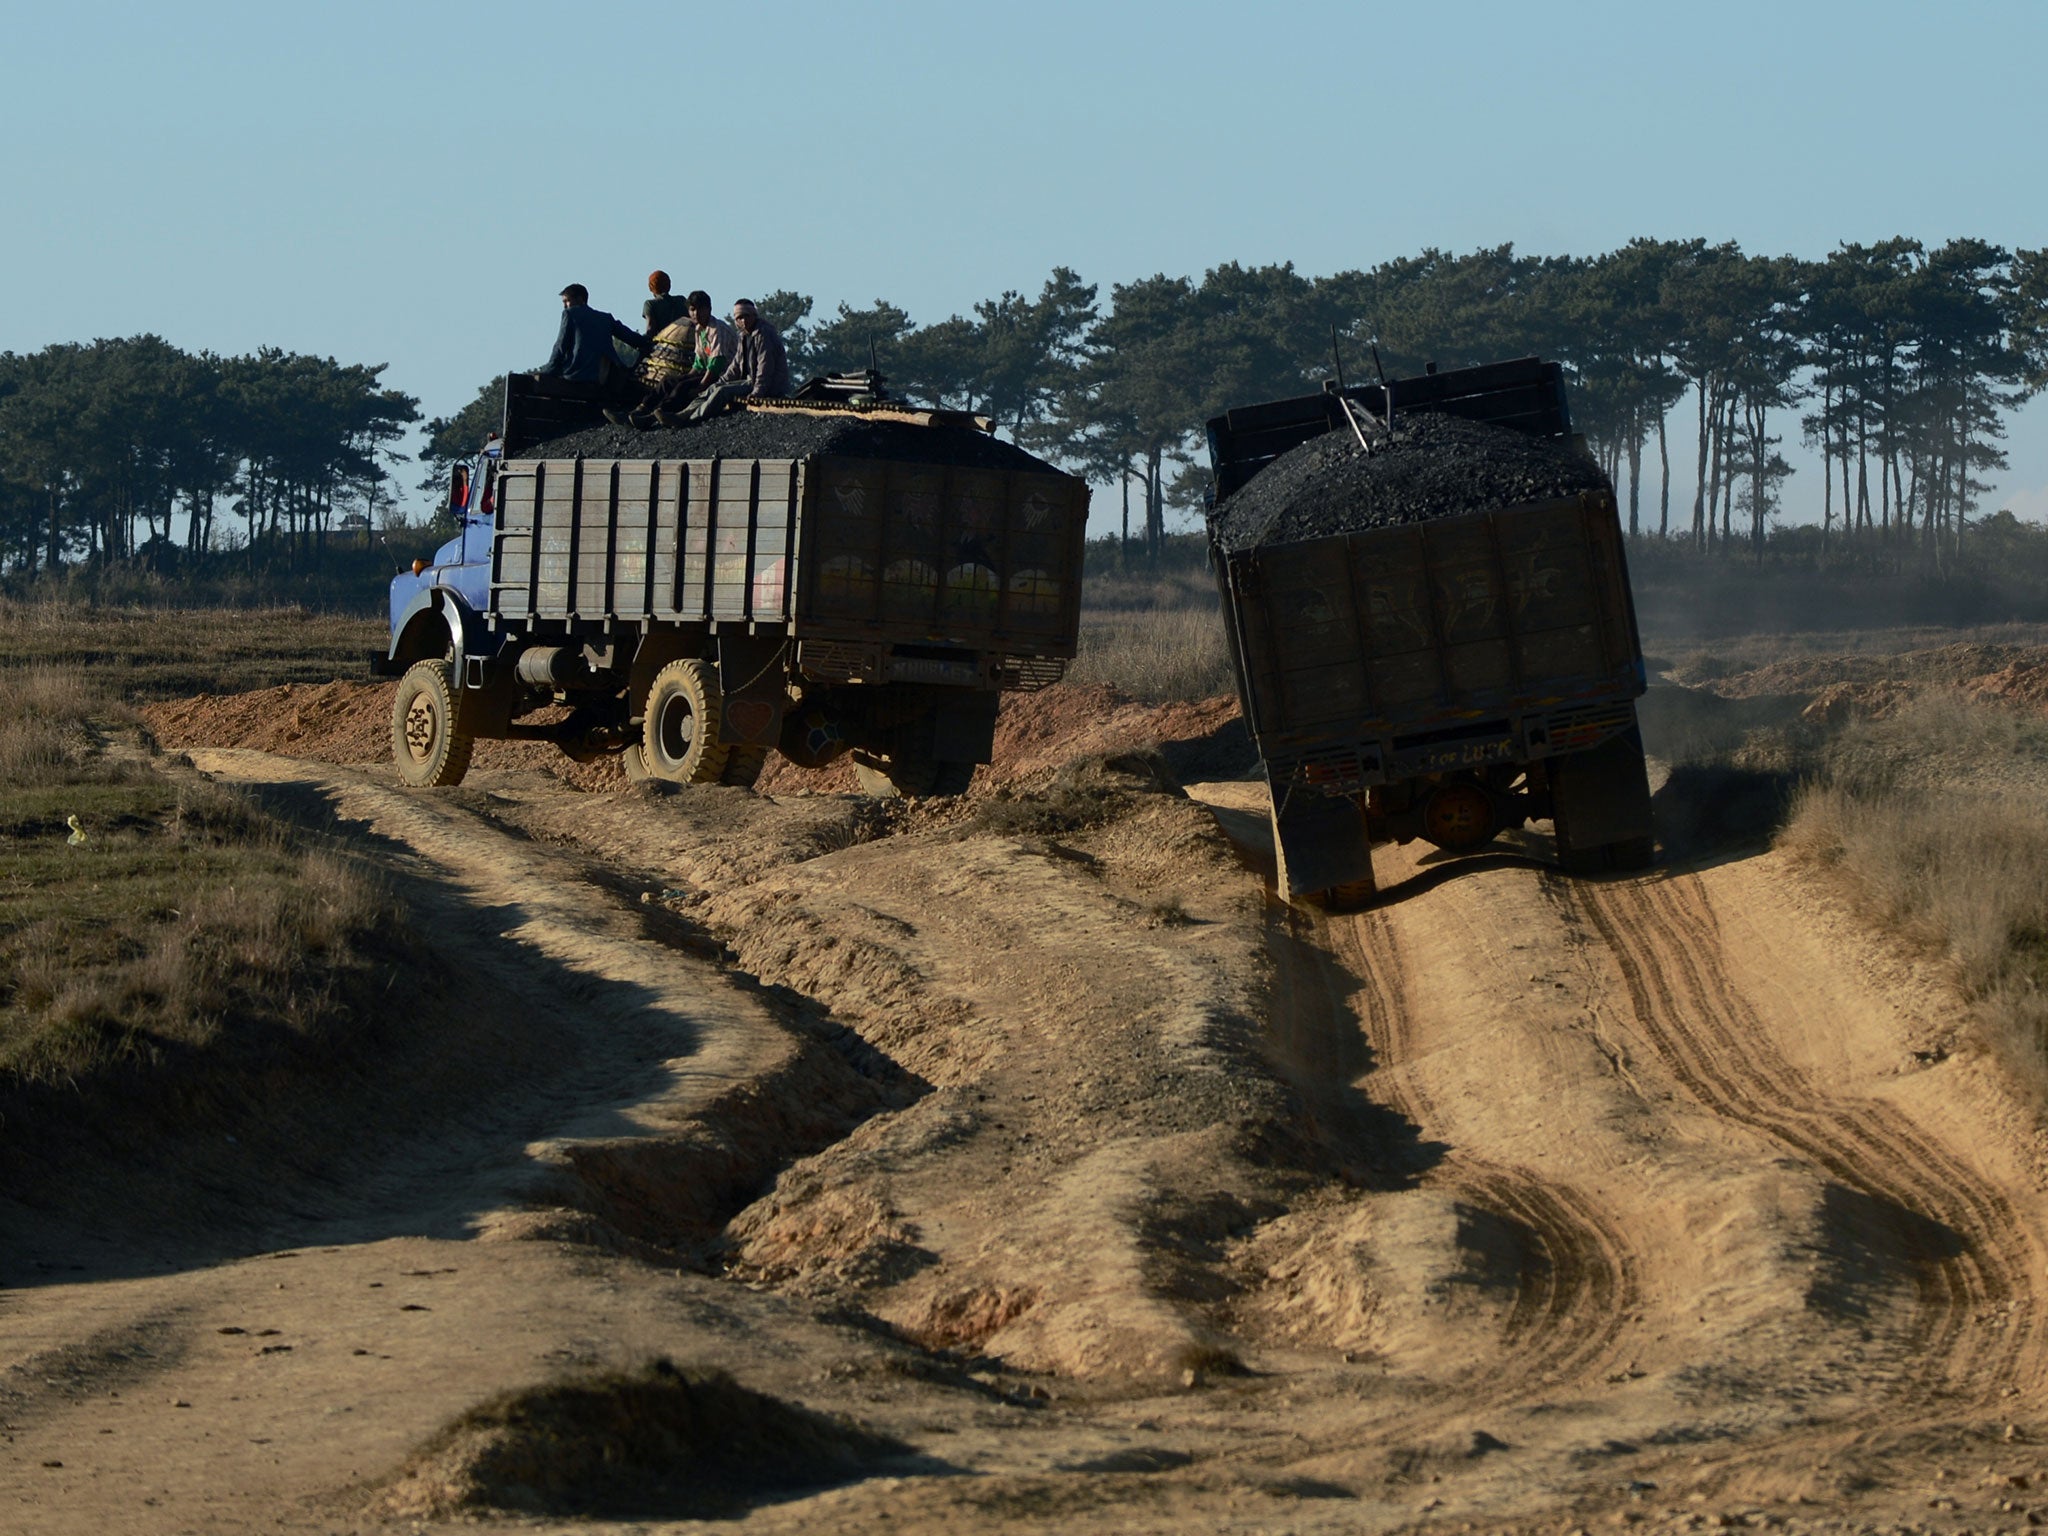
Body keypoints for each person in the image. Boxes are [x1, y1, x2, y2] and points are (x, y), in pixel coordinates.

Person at [682, 298, 790, 421]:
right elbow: (736, 365)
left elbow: (765, 368)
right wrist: (721, 381)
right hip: (750, 381)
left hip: (767, 386)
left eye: (746, 316)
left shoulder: (763, 334)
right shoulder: (743, 335)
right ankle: (685, 413)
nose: (743, 321)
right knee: (714, 387)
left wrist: (757, 393)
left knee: (722, 391)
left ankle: (694, 418)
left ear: (754, 315)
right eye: (739, 317)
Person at [603, 311, 700, 428]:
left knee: (680, 387)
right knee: (667, 381)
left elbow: (714, 364)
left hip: (706, 374)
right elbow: (699, 362)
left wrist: (702, 382)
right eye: (692, 310)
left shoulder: (712, 332)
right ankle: (637, 412)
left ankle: (651, 417)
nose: (695, 314)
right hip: (690, 368)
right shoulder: (700, 332)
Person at [537, 283, 648, 384]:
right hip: (604, 377)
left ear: (580, 299)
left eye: (567, 301)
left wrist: (549, 370)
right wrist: (650, 341)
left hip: (576, 375)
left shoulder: (570, 314)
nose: (565, 306)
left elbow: (561, 346)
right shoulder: (605, 318)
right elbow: (632, 338)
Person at [642, 270, 688, 335]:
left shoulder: (650, 304)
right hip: (686, 341)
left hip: (662, 342)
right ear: (669, 285)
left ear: (651, 288)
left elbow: (650, 330)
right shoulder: (681, 300)